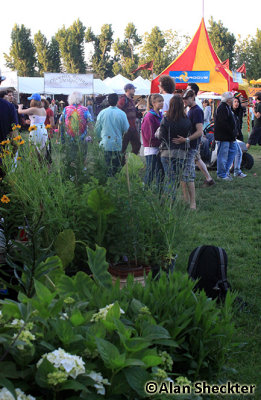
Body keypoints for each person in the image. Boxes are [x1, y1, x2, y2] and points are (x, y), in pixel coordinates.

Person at [172, 89, 204, 209]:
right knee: (183, 175)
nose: (184, 101)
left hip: (191, 147)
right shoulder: (189, 110)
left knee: (188, 175)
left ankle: (193, 203)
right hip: (185, 146)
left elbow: (200, 131)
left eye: (186, 98)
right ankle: (186, 200)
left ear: (193, 97)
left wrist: (186, 139)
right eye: (183, 99)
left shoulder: (197, 111)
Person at [158, 94, 192, 198]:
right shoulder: (187, 120)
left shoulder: (166, 119)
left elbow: (161, 136)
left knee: (169, 177)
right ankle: (170, 199)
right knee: (176, 178)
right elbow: (188, 135)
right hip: (180, 153)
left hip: (166, 152)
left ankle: (168, 200)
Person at [95, 93, 129, 176]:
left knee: (106, 167)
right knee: (116, 168)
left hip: (105, 143)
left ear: (108, 101)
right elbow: (126, 128)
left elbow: (97, 129)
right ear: (117, 101)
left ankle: (107, 184)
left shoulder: (102, 113)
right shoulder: (122, 114)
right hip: (117, 144)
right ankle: (115, 183)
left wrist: (99, 138)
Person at [141, 94, 164, 187]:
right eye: (159, 101)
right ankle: (145, 191)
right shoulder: (149, 116)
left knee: (160, 172)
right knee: (150, 173)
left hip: (159, 147)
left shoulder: (160, 115)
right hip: (151, 149)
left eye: (162, 101)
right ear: (153, 103)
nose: (162, 103)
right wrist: (161, 142)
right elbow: (148, 136)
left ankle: (159, 192)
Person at [214, 92, 237, 181]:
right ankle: (221, 174)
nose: (233, 99)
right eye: (232, 98)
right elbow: (223, 123)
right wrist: (231, 131)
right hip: (223, 137)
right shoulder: (222, 108)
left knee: (232, 152)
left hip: (229, 137)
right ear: (228, 100)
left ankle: (225, 171)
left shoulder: (226, 107)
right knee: (222, 156)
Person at [117, 83, 141, 156]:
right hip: (125, 128)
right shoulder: (123, 100)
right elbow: (118, 112)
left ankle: (130, 161)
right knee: (123, 148)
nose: (134, 90)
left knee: (137, 145)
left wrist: (140, 113)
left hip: (133, 127)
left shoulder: (131, 100)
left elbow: (134, 113)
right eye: (133, 89)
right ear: (128, 90)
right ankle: (122, 164)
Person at [231, 99, 247, 178]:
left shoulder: (240, 111)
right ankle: (234, 169)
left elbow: (239, 123)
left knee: (239, 151)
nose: (236, 103)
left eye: (238, 102)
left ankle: (236, 167)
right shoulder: (229, 111)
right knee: (236, 152)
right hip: (231, 135)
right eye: (235, 102)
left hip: (238, 133)